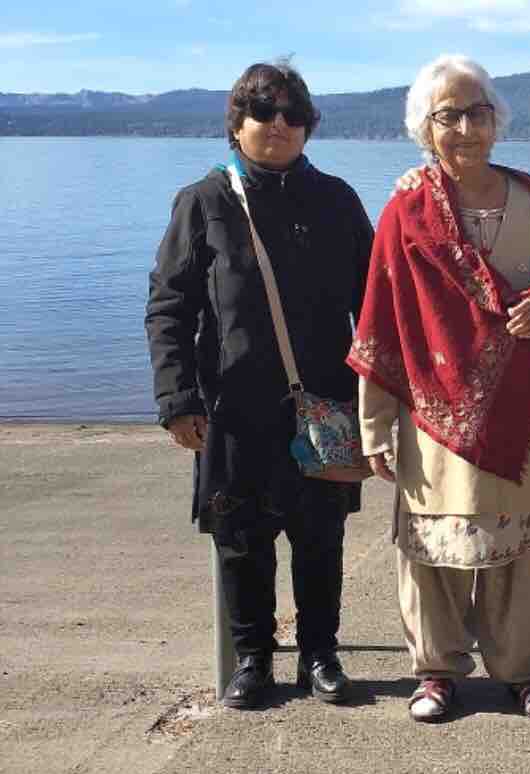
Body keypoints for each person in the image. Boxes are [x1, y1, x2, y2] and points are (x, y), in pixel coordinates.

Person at [347, 55, 530, 723]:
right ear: (425, 127)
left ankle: (525, 672)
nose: (465, 128)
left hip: (526, 408)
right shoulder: (406, 210)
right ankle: (436, 672)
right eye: (447, 115)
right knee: (435, 550)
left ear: (496, 120)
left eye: (477, 112)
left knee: (526, 555)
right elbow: (382, 320)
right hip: (432, 411)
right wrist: (374, 426)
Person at [146, 61, 373, 708]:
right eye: (263, 112)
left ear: (308, 127)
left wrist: (381, 397)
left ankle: (320, 654)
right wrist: (177, 400)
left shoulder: (336, 200)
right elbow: (169, 308)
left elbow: (374, 305)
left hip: (323, 402)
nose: (278, 124)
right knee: (240, 539)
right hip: (233, 407)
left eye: (292, 114)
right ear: (237, 123)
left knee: (320, 536)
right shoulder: (204, 202)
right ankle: (253, 658)